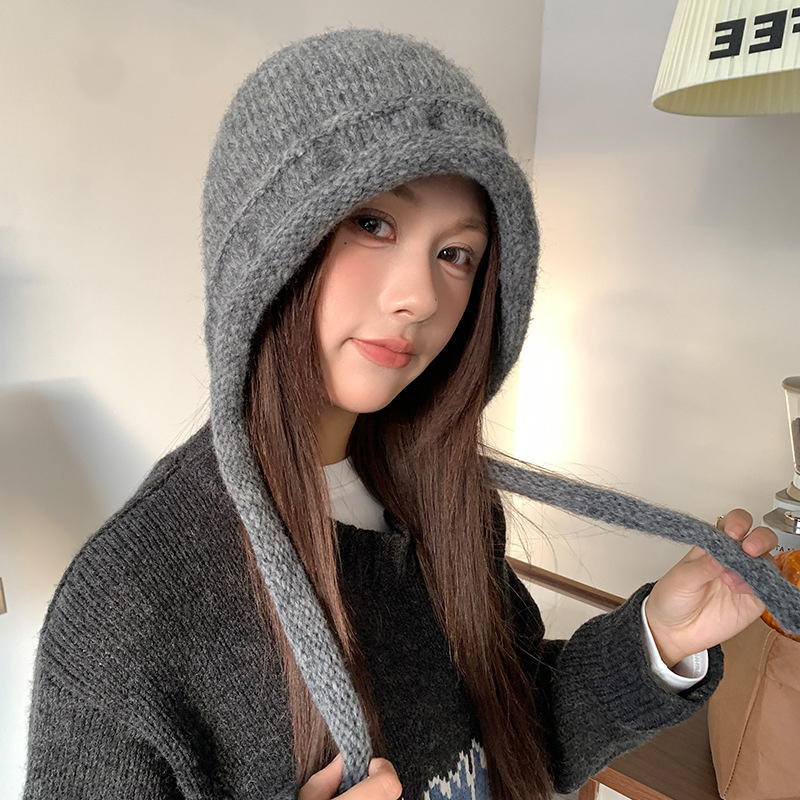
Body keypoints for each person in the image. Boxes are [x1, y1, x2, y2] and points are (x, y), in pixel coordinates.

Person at [23, 28, 791, 800]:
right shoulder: (127, 607)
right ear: (261, 249)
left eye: (456, 254)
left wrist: (660, 638)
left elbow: (516, 737)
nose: (420, 298)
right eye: (372, 223)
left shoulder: (446, 505)